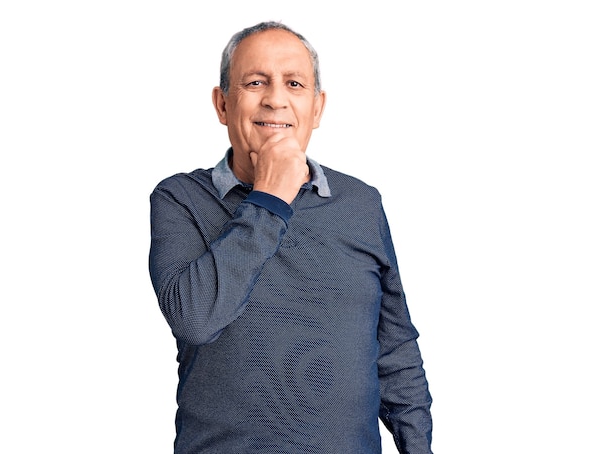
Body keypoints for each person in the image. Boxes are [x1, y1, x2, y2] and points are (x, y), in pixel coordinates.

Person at [149, 21, 433, 454]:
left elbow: (394, 350)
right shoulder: (180, 199)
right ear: (222, 104)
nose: (275, 98)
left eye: (294, 83)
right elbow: (195, 318)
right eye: (255, 82)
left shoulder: (361, 203)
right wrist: (270, 197)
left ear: (316, 108)